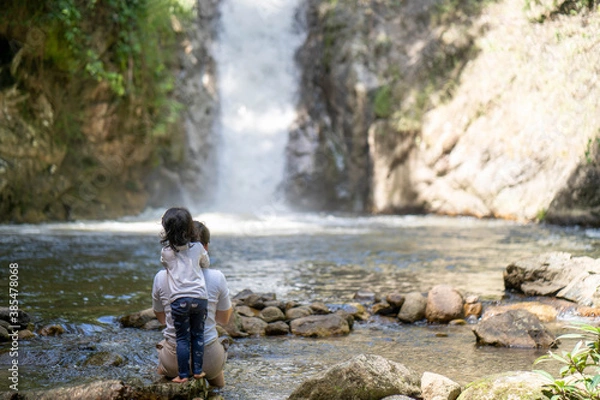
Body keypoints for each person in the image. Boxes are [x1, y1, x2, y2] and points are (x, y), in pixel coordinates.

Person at [153, 220, 233, 387]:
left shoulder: (161, 276)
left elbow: (162, 320)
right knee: (217, 361)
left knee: (163, 351)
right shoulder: (217, 277)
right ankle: (217, 390)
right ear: (205, 247)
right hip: (209, 358)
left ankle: (169, 378)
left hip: (173, 358)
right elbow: (224, 320)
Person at [159, 207, 210, 383]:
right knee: (198, 335)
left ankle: (182, 375)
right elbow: (206, 263)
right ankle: (197, 371)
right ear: (190, 229)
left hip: (179, 300)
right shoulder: (197, 247)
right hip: (199, 299)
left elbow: (165, 265)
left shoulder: (166, 252)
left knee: (182, 338)